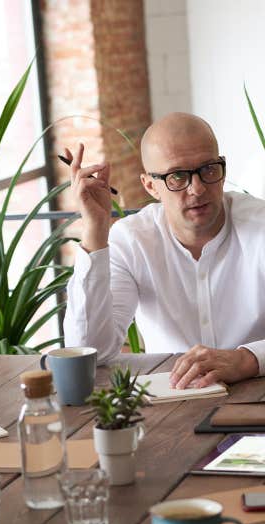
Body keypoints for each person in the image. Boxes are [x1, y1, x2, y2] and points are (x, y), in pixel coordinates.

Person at [63, 112, 265, 390]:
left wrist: (246, 360)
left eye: (208, 169)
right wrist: (95, 231)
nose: (197, 188)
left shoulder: (261, 225)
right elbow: (89, 352)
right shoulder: (132, 240)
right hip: (171, 402)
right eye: (178, 176)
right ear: (150, 186)